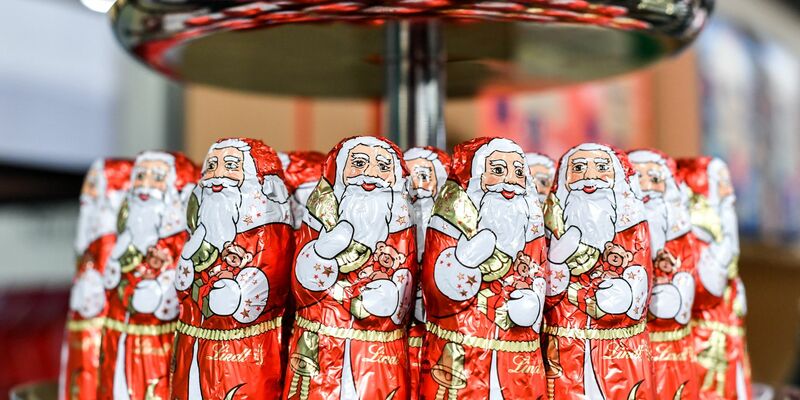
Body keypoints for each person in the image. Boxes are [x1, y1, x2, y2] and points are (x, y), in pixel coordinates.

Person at [285, 136, 416, 400]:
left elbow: (406, 276)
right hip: (320, 345)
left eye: (382, 166)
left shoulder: (400, 222)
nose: (370, 174)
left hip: (378, 353)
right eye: (358, 163)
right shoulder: (320, 214)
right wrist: (322, 253)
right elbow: (301, 290)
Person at [419, 137, 548, 399]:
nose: (510, 180)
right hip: (461, 354)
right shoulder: (449, 222)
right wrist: (464, 261)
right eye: (498, 170)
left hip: (518, 357)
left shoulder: (529, 226)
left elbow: (539, 270)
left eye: (518, 172)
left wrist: (531, 300)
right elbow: (436, 287)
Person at [171, 138, 294, 399]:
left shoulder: (267, 230)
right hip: (192, 344)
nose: (218, 176)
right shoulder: (202, 231)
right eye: (212, 166)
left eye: (230, 166)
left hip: (241, 352)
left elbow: (263, 287)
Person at [543, 143, 653, 400]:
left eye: (601, 168)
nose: (589, 177)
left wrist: (622, 294)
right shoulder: (554, 228)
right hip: (568, 344)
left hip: (620, 348)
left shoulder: (632, 228)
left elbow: (639, 273)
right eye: (578, 168)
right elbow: (546, 293)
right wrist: (557, 264)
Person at [98, 151, 198, 400]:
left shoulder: (177, 240)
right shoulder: (127, 237)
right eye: (140, 176)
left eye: (157, 178)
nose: (145, 185)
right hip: (118, 334)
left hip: (157, 342)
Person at [59, 159, 132, 400]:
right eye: (89, 184)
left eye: (96, 185)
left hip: (101, 330)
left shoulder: (114, 238)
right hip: (82, 324)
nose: (88, 193)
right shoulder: (90, 231)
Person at [629, 149, 699, 399]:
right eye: (639, 178)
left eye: (655, 179)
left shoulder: (680, 231)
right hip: (637, 346)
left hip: (674, 341)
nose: (647, 188)